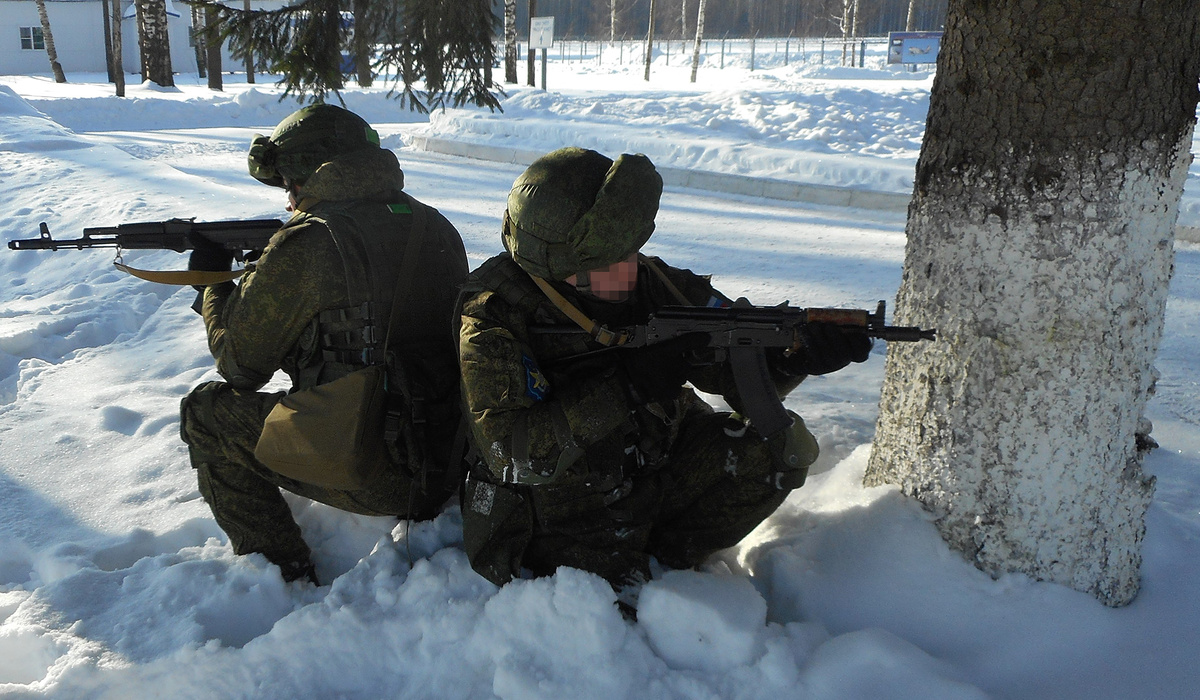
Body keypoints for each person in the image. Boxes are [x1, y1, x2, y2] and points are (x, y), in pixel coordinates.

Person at [456, 147, 871, 598]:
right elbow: (512, 454)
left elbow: (737, 363)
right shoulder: (493, 319)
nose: (630, 270)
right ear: (560, 272)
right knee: (605, 616)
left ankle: (665, 562)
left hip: (651, 462)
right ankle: (626, 575)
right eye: (609, 264)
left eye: (631, 251)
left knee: (777, 451)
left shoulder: (647, 280)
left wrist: (794, 356)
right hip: (558, 508)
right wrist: (628, 386)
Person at [179, 105, 468, 584]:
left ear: (306, 175)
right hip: (447, 458)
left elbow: (239, 367)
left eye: (289, 185)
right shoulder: (432, 223)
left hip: (372, 465)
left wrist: (212, 285)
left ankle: (279, 572)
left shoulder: (309, 244)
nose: (290, 201)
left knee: (206, 415)